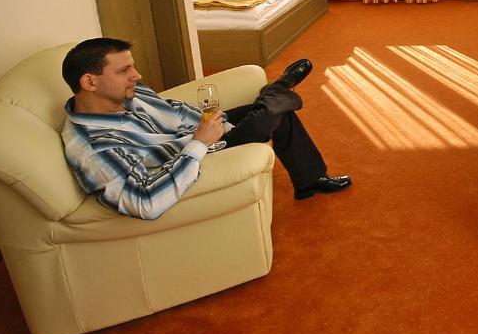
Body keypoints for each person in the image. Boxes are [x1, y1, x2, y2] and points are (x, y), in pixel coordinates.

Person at [61, 37, 351, 220]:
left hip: (200, 134)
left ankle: (308, 177)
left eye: (132, 67)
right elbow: (143, 202)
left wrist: (214, 123)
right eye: (124, 70)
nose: (137, 75)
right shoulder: (95, 146)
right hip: (195, 155)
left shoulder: (124, 94)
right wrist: (199, 143)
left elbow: (173, 110)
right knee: (270, 114)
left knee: (272, 113)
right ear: (89, 82)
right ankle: (280, 87)